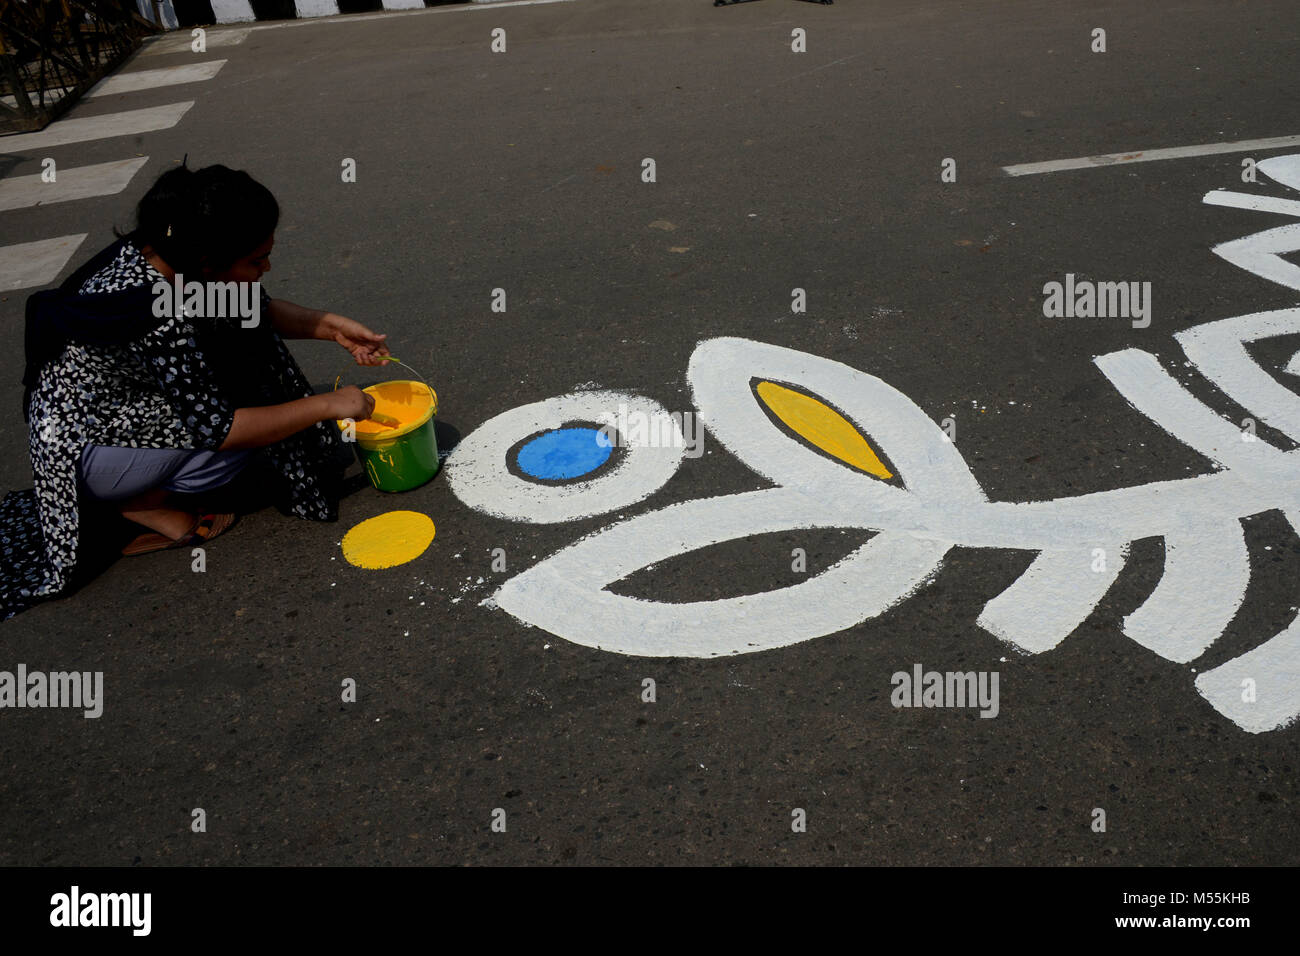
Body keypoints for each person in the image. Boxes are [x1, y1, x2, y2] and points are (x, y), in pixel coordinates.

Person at [1, 161, 387, 620]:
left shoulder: (168, 248)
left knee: (257, 382)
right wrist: (326, 405)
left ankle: (134, 488)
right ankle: (134, 500)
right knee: (249, 430)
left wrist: (330, 327)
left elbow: (247, 308)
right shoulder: (156, 312)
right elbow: (220, 429)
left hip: (108, 405)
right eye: (256, 260)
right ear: (208, 263)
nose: (267, 267)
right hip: (83, 440)